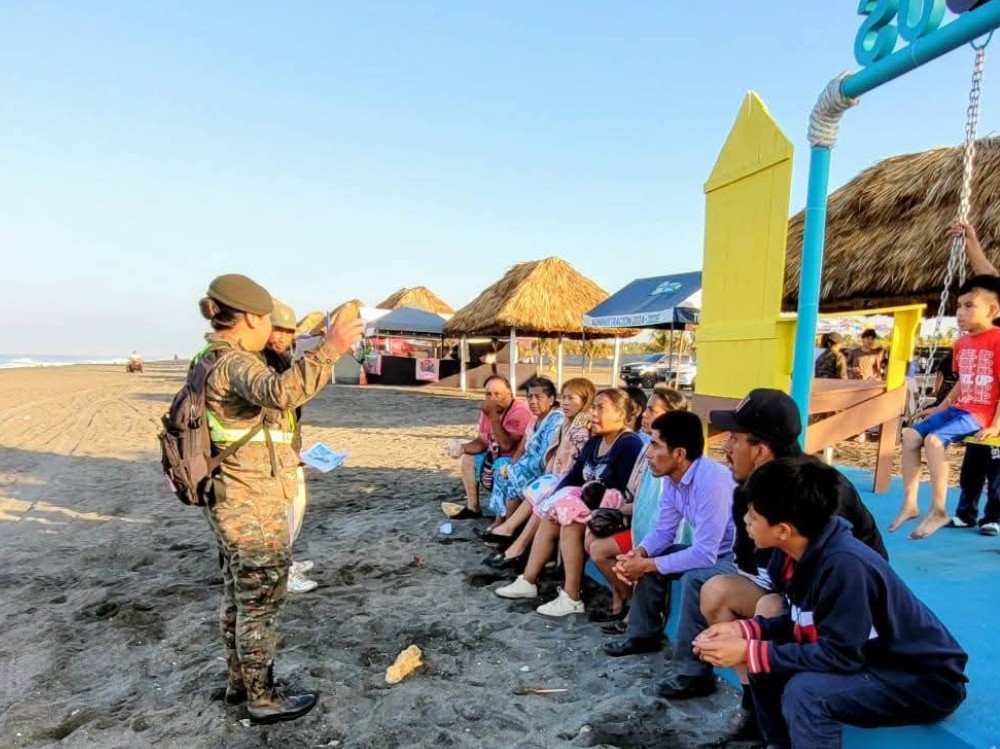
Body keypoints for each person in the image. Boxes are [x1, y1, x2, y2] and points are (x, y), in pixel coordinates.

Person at [694, 457, 968, 749]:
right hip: (868, 659)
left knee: (806, 692)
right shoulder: (789, 555)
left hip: (921, 680)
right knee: (763, 664)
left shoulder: (845, 566)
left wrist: (751, 649)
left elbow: (841, 654)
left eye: (753, 515)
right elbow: (805, 622)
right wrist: (747, 631)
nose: (746, 521)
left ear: (783, 530)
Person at [197, 273, 363, 725]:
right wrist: (333, 347)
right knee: (260, 603)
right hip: (250, 501)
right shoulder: (234, 362)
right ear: (250, 316)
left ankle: (239, 685)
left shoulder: (208, 359)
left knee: (238, 596)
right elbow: (281, 392)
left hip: (231, 495)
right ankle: (262, 698)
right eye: (269, 320)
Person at [698, 388, 887, 744]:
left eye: (735, 439)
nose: (726, 448)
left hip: (844, 600)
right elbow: (746, 560)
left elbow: (837, 583)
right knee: (715, 591)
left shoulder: (815, 492)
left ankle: (776, 704)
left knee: (768, 610)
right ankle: (754, 708)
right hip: (793, 588)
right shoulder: (753, 491)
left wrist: (752, 642)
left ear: (760, 450)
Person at [602, 411, 736, 703]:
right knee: (655, 558)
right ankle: (642, 635)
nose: (648, 454)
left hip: (734, 559)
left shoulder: (711, 482)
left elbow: (705, 553)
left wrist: (647, 564)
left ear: (679, 453)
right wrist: (640, 553)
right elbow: (663, 532)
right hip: (711, 552)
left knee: (696, 579)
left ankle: (694, 675)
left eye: (655, 445)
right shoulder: (673, 480)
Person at [495, 389, 644, 617]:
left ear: (621, 414)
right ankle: (529, 580)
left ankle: (572, 596)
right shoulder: (596, 441)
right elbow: (573, 476)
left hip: (615, 513)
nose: (592, 413)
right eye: (593, 407)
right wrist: (556, 501)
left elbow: (622, 492)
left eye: (600, 408)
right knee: (552, 514)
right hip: (588, 507)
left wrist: (575, 508)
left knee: (570, 521)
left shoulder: (628, 444)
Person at [893, 274, 1000, 539]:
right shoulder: (961, 343)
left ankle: (938, 509)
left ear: (993, 310)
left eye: (969, 306)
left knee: (934, 441)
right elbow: (964, 381)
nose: (960, 313)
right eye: (958, 306)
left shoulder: (998, 340)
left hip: (982, 413)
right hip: (960, 408)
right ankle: (910, 503)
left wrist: (997, 424)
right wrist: (941, 406)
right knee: (910, 435)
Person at [586, 386, 688, 626]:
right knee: (590, 536)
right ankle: (619, 601)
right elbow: (641, 500)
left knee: (600, 549)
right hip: (640, 526)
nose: (644, 414)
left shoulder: (673, 456)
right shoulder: (647, 447)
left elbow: (664, 511)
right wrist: (615, 511)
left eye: (652, 410)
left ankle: (633, 608)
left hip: (662, 536)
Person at [481, 378, 594, 570]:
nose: (565, 402)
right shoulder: (567, 421)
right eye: (564, 397)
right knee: (527, 481)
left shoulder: (580, 424)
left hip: (572, 482)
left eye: (571, 398)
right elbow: (537, 452)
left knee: (540, 487)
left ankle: (512, 537)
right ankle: (509, 533)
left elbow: (573, 461)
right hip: (558, 476)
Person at [262, 298, 316, 594]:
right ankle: (281, 571)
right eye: (276, 330)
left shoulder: (282, 363)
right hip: (268, 458)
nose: (282, 338)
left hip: (286, 452)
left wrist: (296, 450)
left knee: (295, 508)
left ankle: (285, 562)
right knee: (281, 516)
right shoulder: (259, 366)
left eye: (287, 331)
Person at [447, 375, 533, 519]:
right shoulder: (489, 410)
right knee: (469, 457)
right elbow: (482, 441)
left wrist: (492, 415)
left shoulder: (520, 411)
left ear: (509, 395)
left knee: (501, 464)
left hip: (515, 461)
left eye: (497, 394)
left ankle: (505, 516)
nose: (492, 398)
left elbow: (506, 445)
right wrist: (462, 448)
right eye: (488, 394)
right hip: (495, 456)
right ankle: (473, 508)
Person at [485, 377, 565, 520]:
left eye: (538, 397)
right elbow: (521, 450)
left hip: (543, 469)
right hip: (528, 465)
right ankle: (500, 522)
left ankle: (508, 527)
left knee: (514, 478)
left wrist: (516, 470)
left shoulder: (556, 419)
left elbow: (544, 455)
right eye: (530, 397)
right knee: (502, 473)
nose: (533, 401)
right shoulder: (534, 419)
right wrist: (510, 466)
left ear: (551, 399)